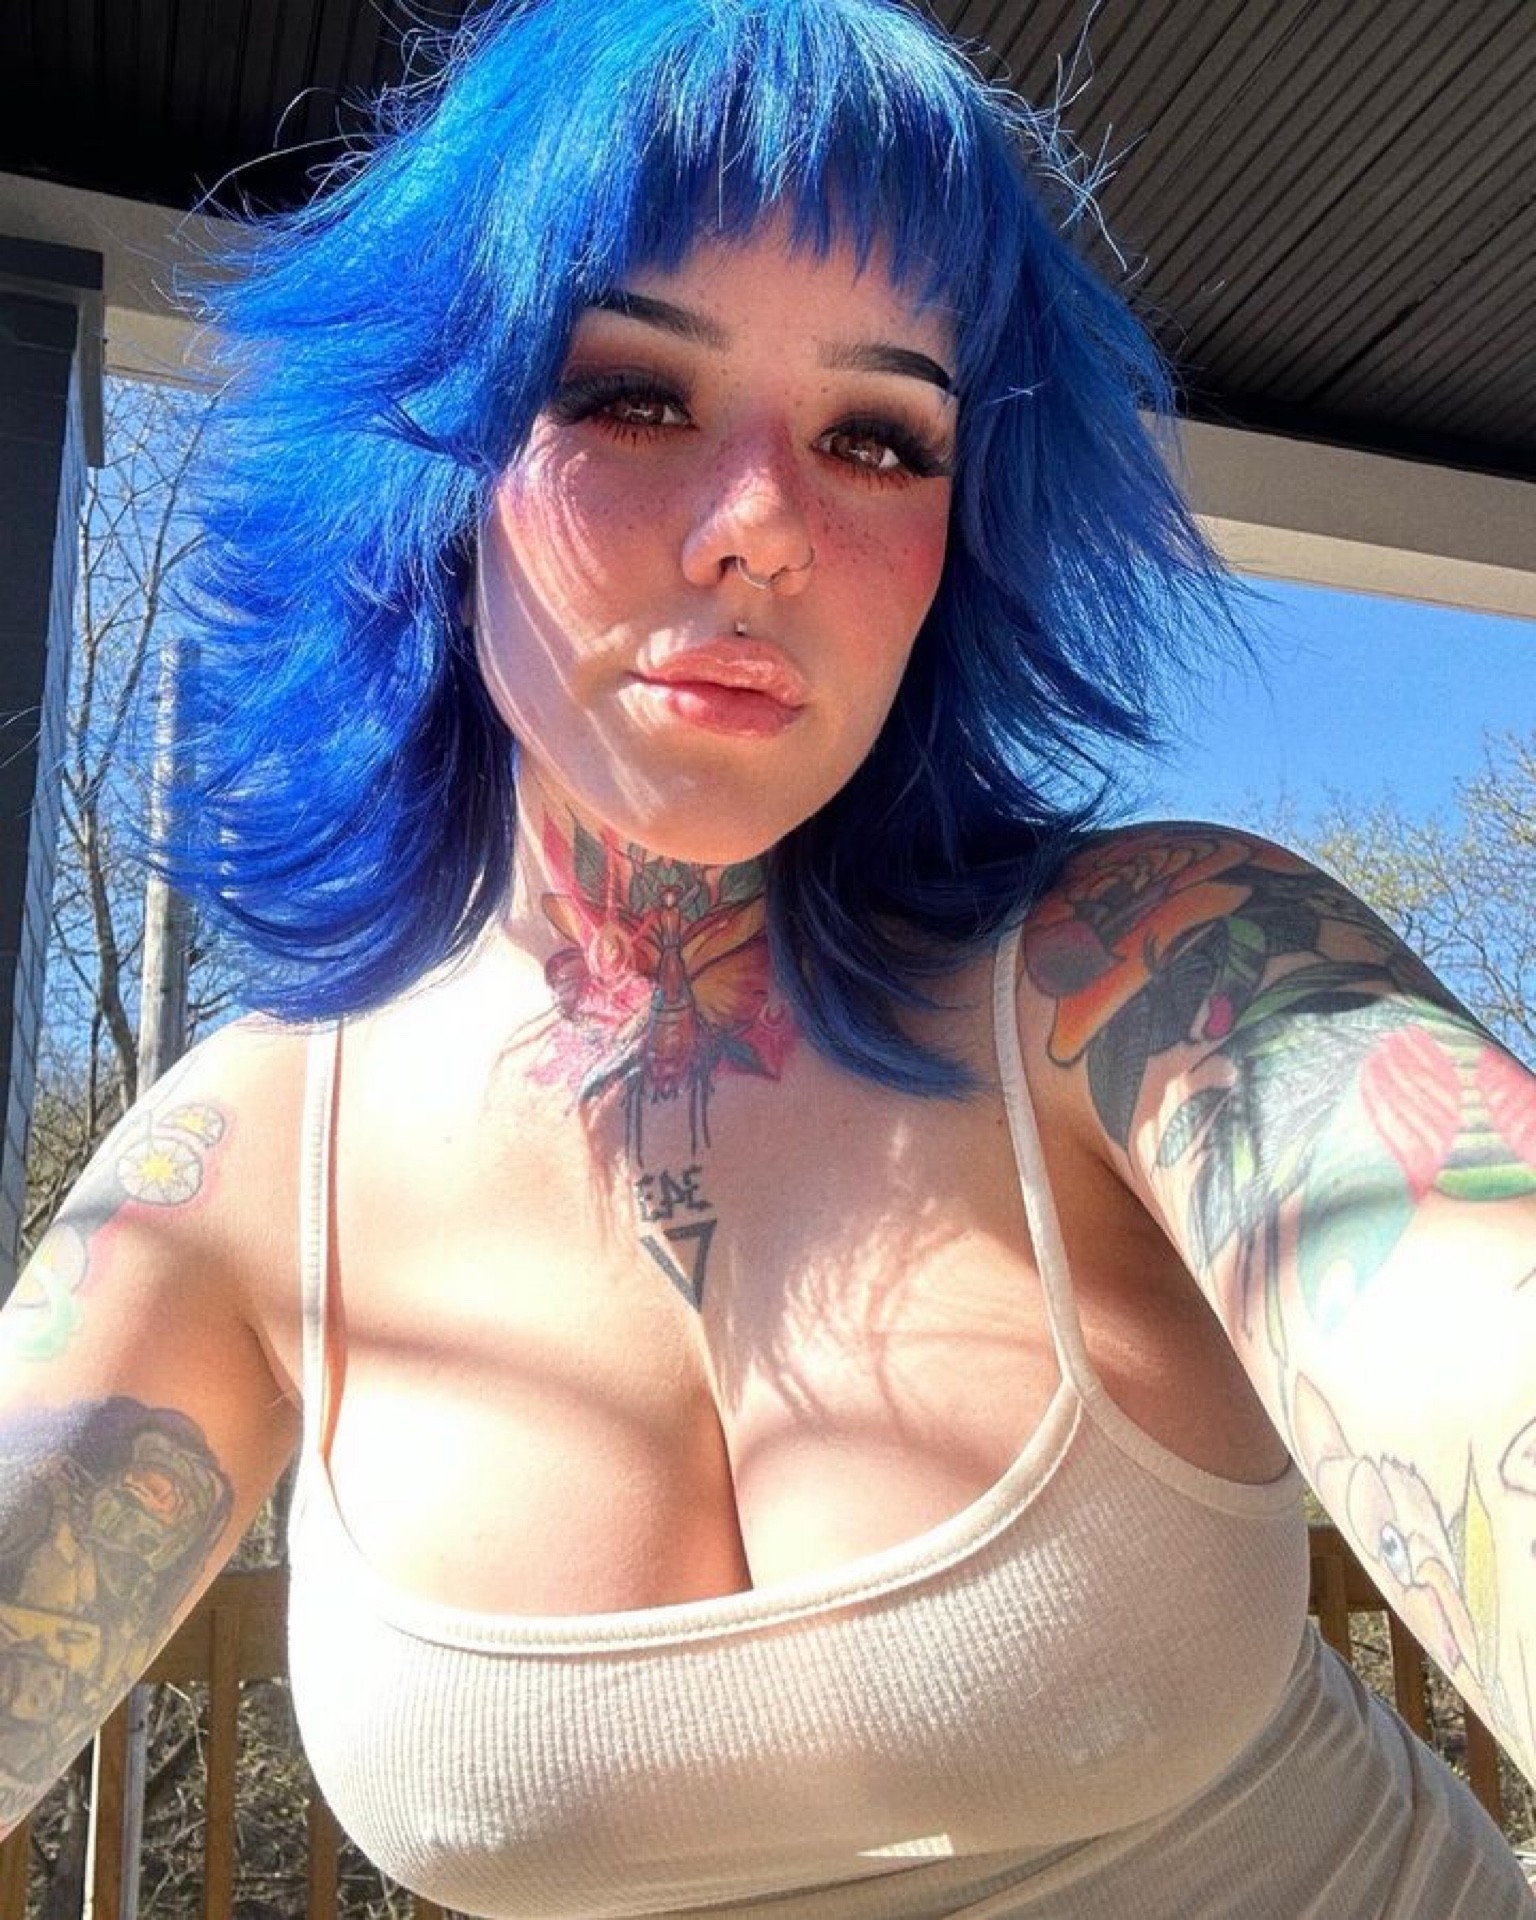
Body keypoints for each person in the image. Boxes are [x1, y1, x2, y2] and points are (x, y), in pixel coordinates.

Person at [1, 0, 1533, 1913]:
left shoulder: (1158, 982)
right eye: (634, 395)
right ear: (432, 452)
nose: (762, 533)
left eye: (878, 435)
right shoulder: (238, 1171)